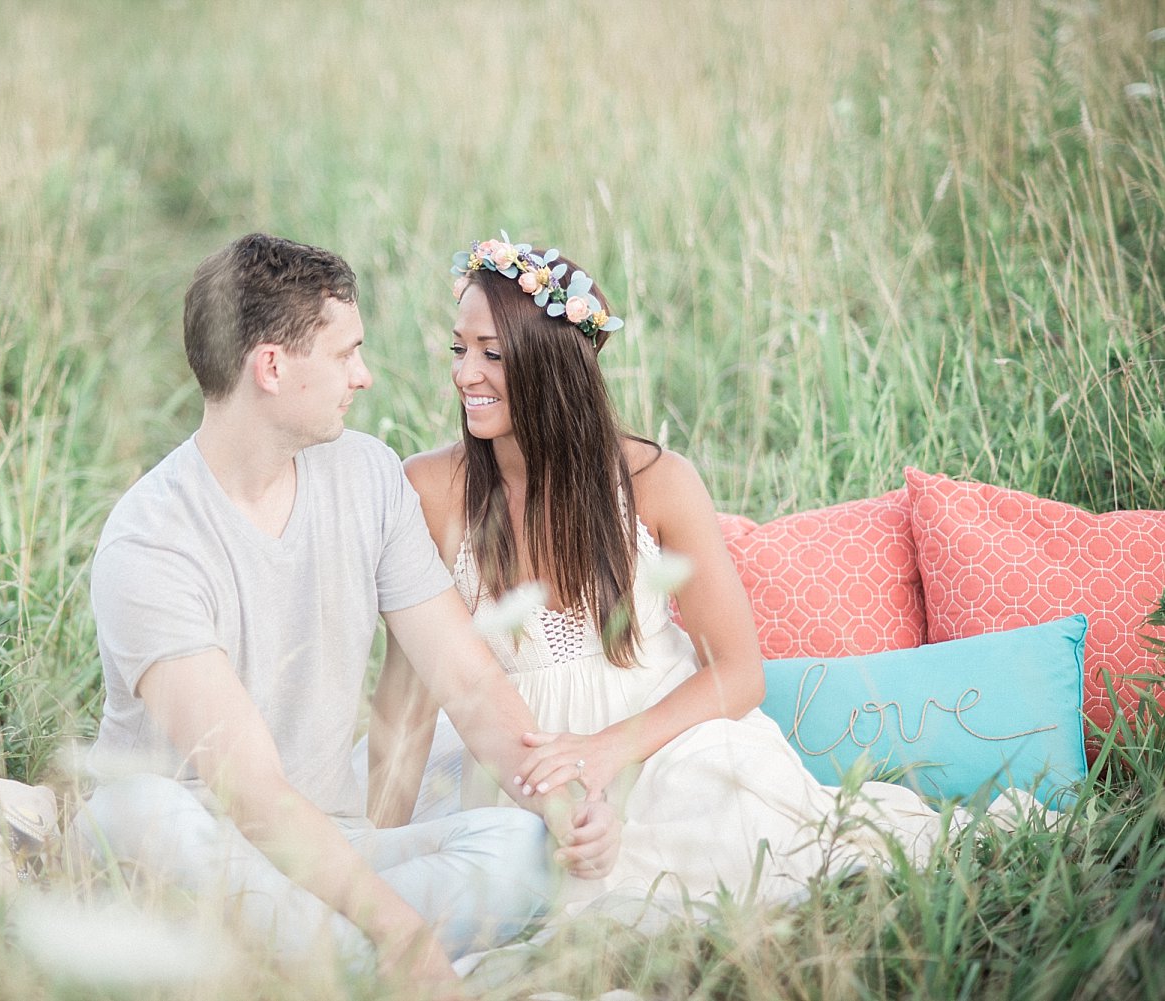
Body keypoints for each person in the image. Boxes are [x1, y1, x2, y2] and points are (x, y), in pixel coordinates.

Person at [369, 234, 994, 919]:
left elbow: (737, 671)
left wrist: (610, 750)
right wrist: (377, 851)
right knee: (481, 885)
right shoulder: (428, 488)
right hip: (510, 756)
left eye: (492, 352)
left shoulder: (656, 481)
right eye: (460, 349)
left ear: (551, 362)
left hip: (658, 740)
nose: (465, 375)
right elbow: (407, 701)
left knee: (728, 827)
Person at [76, 233, 620, 995]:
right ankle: (364, 960)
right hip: (194, 845)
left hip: (330, 850)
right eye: (345, 354)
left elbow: (465, 680)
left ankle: (312, 959)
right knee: (136, 811)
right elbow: (251, 791)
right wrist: (396, 925)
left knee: (523, 848)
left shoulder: (366, 475)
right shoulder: (151, 541)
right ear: (272, 367)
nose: (363, 377)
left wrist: (567, 811)